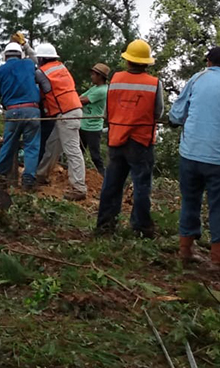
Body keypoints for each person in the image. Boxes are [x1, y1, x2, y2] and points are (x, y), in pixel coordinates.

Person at [169, 46, 220, 275]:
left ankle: (186, 250)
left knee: (190, 200)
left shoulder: (196, 78)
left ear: (209, 62)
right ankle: (219, 259)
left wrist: (176, 121)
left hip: (190, 152)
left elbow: (177, 113)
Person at [95, 41, 164, 238]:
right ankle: (141, 228)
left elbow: (107, 112)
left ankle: (105, 227)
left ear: (128, 60)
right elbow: (158, 112)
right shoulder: (154, 83)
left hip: (117, 138)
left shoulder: (115, 80)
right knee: (142, 185)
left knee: (112, 184)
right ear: (146, 63)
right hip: (141, 141)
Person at [0, 42, 49, 189]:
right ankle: (28, 180)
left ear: (5, 56)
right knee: (32, 146)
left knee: (9, 144)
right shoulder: (29, 65)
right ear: (20, 54)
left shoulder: (0, 71)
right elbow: (43, 81)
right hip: (33, 110)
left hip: (13, 111)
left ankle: (0, 176)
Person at [35, 43, 88, 201]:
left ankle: (79, 187)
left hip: (66, 114)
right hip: (71, 110)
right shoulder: (60, 68)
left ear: (43, 58)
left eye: (39, 58)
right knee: (52, 145)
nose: (37, 61)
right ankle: (41, 174)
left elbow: (38, 80)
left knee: (72, 150)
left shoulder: (42, 72)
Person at [79, 63, 110, 178]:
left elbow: (82, 100)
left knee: (95, 156)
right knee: (79, 152)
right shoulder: (95, 88)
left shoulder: (102, 90)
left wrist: (78, 100)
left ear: (100, 76)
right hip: (84, 125)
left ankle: (103, 177)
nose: (91, 76)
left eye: (93, 74)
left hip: (93, 127)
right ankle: (79, 174)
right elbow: (80, 97)